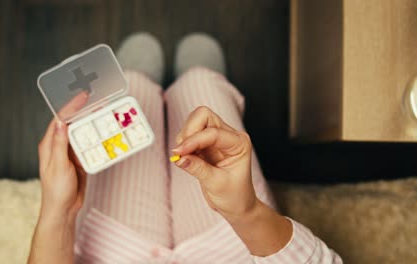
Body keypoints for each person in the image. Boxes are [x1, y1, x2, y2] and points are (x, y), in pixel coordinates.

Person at [28, 33, 342, 263]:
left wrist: (60, 212)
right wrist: (245, 211)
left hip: (113, 253)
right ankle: (195, 77)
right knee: (200, 88)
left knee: (135, 93)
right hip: (235, 253)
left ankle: (140, 77)